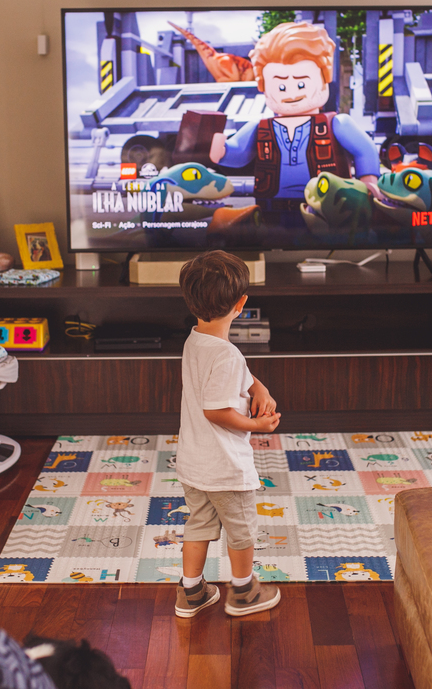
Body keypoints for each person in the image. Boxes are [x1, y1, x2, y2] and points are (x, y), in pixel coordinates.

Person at [174, 250, 282, 618]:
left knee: (199, 525)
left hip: (194, 463)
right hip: (224, 467)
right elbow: (216, 411)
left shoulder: (195, 340)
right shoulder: (228, 355)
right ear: (241, 304)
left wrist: (258, 388)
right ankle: (244, 593)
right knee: (242, 531)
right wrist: (257, 426)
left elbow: (231, 377)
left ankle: (191, 593)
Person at [208, 22, 381, 229]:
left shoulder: (336, 124)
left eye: (301, 84)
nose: (291, 93)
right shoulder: (260, 127)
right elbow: (238, 153)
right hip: (272, 211)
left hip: (325, 211)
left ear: (324, 79)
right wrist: (222, 150)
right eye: (281, 86)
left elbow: (365, 150)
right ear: (264, 86)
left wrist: (368, 183)